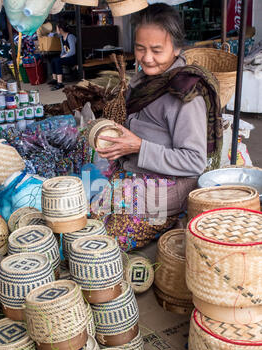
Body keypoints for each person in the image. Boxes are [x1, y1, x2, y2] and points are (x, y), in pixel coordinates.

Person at [90, 3, 223, 252]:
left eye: (157, 50)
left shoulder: (185, 94)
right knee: (89, 220)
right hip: (136, 175)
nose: (146, 58)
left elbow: (195, 161)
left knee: (104, 241)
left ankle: (171, 218)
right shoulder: (146, 80)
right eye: (140, 49)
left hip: (170, 186)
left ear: (176, 48)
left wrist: (138, 147)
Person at [48, 24, 77, 91]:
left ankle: (60, 83)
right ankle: (55, 79)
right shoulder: (62, 37)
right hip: (66, 56)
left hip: (73, 57)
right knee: (53, 60)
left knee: (58, 61)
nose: (56, 30)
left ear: (61, 29)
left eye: (57, 29)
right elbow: (63, 50)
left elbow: (73, 51)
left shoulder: (70, 36)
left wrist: (64, 56)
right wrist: (61, 56)